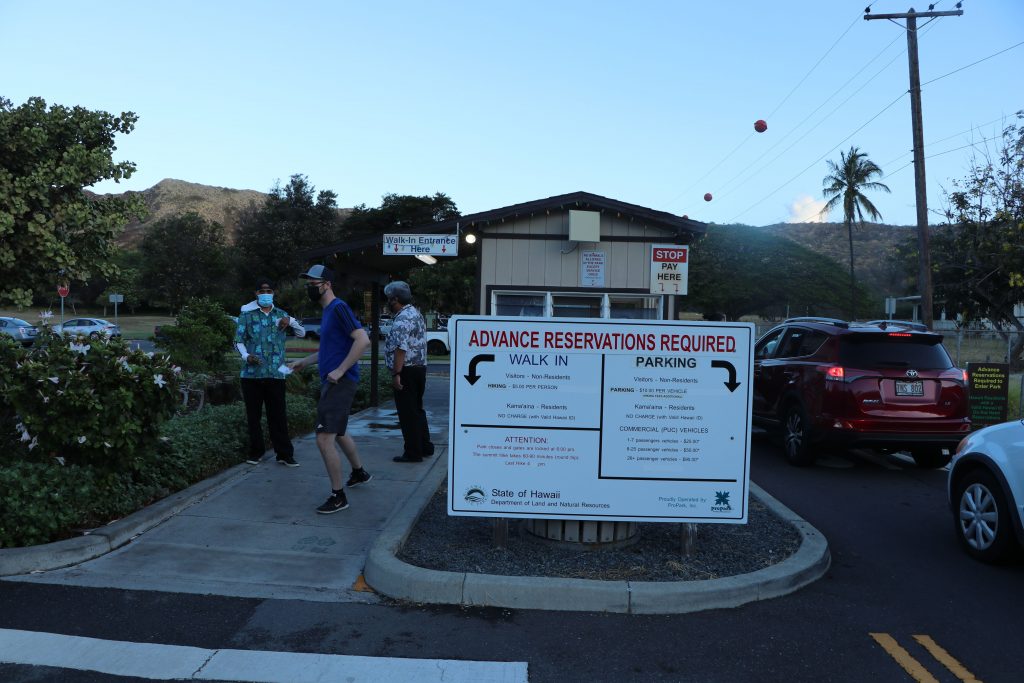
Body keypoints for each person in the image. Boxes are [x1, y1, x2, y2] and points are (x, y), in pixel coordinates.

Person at [289, 265, 372, 514]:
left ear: (327, 285)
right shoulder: (328, 312)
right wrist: (304, 362)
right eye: (308, 284)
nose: (310, 288)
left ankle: (338, 497)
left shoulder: (338, 308)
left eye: (314, 284)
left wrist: (341, 370)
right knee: (339, 432)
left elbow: (363, 340)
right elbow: (329, 350)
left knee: (324, 438)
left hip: (340, 382)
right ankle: (359, 472)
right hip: (332, 381)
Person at [235, 277, 305, 467]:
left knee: (278, 415)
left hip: (276, 373)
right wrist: (246, 356)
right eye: (262, 291)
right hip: (251, 375)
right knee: (253, 417)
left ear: (274, 293)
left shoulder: (281, 315)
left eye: (269, 291)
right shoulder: (246, 315)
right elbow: (238, 340)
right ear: (256, 294)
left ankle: (284, 454)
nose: (265, 294)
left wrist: (291, 320)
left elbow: (302, 333)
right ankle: (256, 452)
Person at [383, 280, 434, 463]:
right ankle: (425, 446)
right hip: (419, 369)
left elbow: (400, 348)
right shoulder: (415, 313)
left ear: (395, 299)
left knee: (407, 413)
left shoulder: (402, 318)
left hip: (406, 371)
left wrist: (396, 374)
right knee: (417, 410)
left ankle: (413, 452)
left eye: (389, 298)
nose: (387, 302)